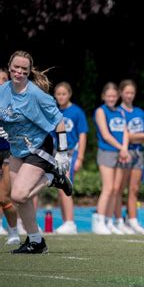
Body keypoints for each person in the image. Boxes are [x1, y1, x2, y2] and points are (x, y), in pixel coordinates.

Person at [0, 51, 73, 254]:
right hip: (17, 148)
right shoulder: (2, 91)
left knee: (18, 194)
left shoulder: (36, 95)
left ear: (29, 71)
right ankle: (36, 241)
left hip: (38, 147)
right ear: (9, 66)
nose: (19, 72)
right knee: (19, 199)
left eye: (24, 69)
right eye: (16, 67)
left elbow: (59, 122)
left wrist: (63, 152)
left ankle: (52, 177)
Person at [92, 82, 131, 235]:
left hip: (121, 153)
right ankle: (99, 221)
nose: (111, 98)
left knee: (116, 189)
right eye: (108, 96)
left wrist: (125, 149)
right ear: (103, 97)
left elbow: (125, 131)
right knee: (108, 188)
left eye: (114, 96)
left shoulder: (120, 112)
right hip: (107, 152)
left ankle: (109, 221)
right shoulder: (101, 111)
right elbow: (106, 134)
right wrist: (122, 148)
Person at [53, 82, 88, 234]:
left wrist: (80, 158)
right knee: (59, 188)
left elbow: (83, 135)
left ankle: (70, 222)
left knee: (65, 186)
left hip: (70, 154)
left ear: (69, 94)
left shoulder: (77, 112)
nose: (61, 97)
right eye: (58, 94)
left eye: (64, 94)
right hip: (56, 154)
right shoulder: (53, 112)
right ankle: (66, 222)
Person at [117, 79, 144, 234]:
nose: (129, 95)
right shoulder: (118, 112)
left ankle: (133, 220)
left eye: (132, 93)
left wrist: (132, 136)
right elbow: (123, 135)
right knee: (119, 188)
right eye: (126, 92)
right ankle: (118, 220)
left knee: (134, 189)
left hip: (139, 152)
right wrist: (135, 136)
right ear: (121, 93)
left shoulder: (140, 112)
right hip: (124, 153)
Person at [0, 67, 21, 245]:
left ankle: (13, 231)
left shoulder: (14, 100)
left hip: (9, 150)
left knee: (4, 197)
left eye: (3, 79)